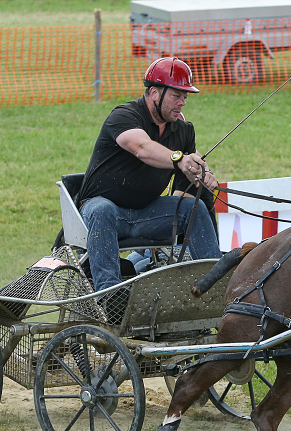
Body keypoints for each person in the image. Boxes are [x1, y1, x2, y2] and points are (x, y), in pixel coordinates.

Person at [76, 56, 222, 293]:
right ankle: (109, 295)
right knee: (102, 209)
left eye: (185, 97)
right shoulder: (124, 116)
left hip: (147, 214)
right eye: (176, 95)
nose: (182, 102)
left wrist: (204, 174)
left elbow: (192, 168)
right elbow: (142, 148)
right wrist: (179, 160)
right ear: (154, 93)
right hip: (105, 211)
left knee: (193, 208)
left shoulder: (184, 131)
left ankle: (217, 286)